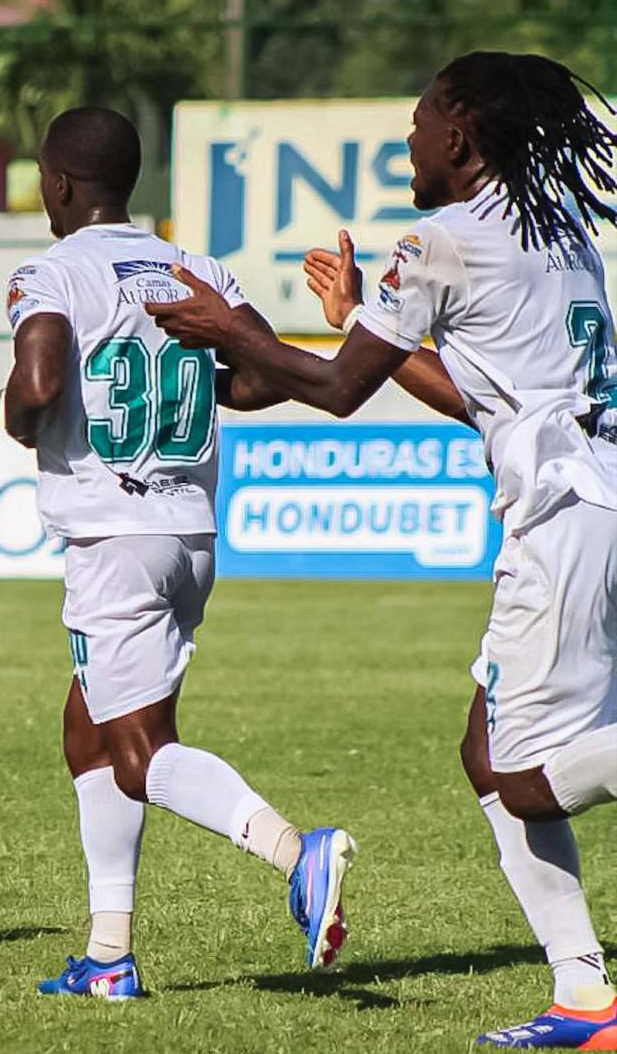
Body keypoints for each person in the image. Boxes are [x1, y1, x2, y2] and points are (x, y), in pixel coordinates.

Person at [147, 51, 617, 1049]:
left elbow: (333, 391)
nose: (408, 139)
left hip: (562, 522)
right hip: (597, 500)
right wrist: (364, 322)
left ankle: (586, 996)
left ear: (458, 134)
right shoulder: (557, 228)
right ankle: (585, 999)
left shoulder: (439, 238)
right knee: (484, 749)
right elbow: (474, 394)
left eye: (418, 120)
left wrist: (236, 327)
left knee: (521, 773)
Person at [2, 106, 357, 999]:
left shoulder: (51, 272)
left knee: (139, 751)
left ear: (61, 184)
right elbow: (261, 372)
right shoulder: (193, 267)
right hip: (190, 534)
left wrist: (15, 412)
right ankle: (109, 956)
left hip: (114, 538)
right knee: (90, 730)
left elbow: (39, 382)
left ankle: (294, 851)